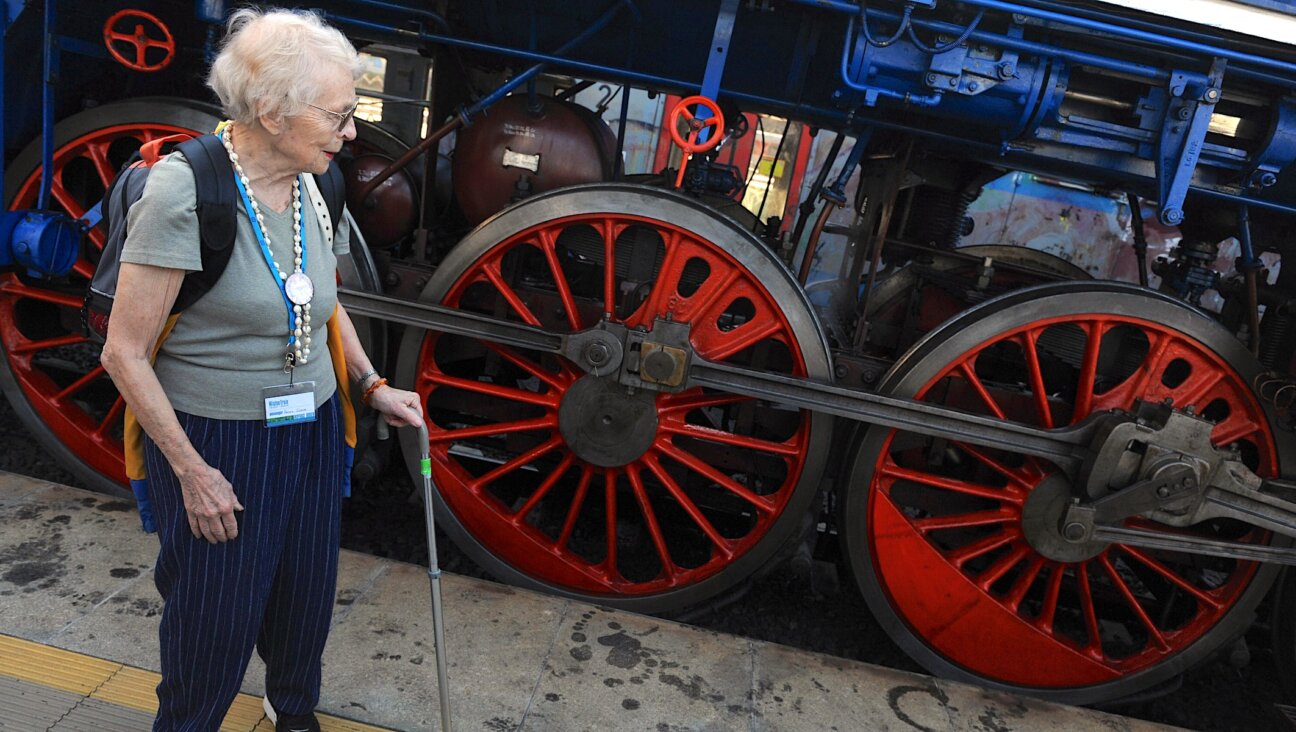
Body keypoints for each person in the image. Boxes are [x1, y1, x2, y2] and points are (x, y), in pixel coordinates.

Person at [99, 8, 423, 731]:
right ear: (273, 112)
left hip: (309, 428)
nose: (351, 132)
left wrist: (370, 384)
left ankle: (293, 711)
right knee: (216, 615)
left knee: (305, 594)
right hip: (219, 441)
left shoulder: (318, 181)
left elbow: (323, 301)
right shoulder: (186, 191)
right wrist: (193, 473)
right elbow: (122, 352)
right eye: (339, 114)